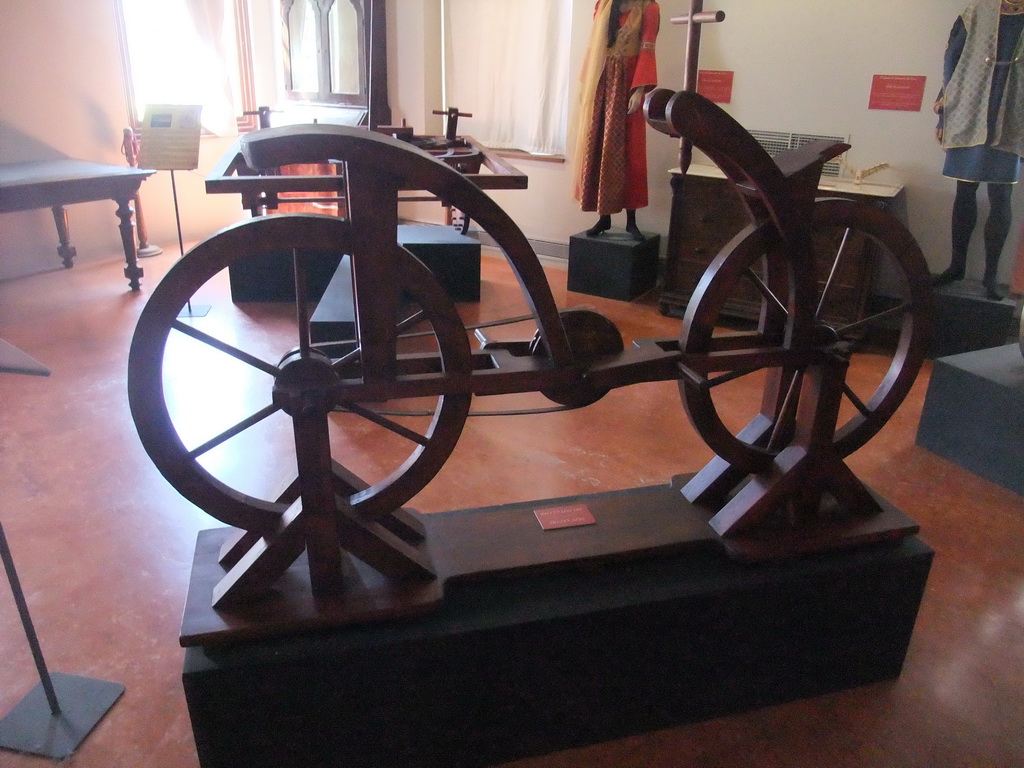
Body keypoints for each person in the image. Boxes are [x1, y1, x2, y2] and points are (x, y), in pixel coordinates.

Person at [934, 0, 1024, 300]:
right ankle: (956, 265)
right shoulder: (975, 14)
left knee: (1001, 196)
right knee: (965, 191)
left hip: (1013, 114)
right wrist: (944, 115)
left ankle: (990, 275)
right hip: (969, 110)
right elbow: (952, 61)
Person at [573, 0, 660, 241]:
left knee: (628, 150)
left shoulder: (648, 8)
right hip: (602, 83)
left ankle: (631, 220)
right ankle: (604, 217)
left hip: (627, 83)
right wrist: (585, 83)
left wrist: (639, 90)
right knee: (599, 146)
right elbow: (594, 46)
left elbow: (647, 48)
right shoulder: (603, 5)